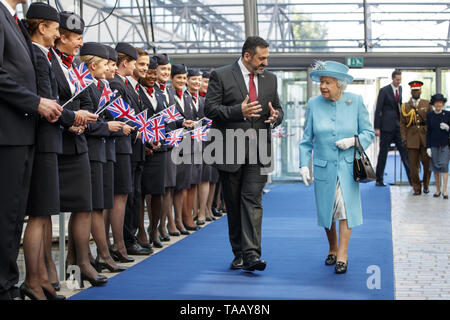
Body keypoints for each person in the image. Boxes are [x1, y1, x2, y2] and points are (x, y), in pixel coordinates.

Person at [21, 2, 94, 300]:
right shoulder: (41, 58)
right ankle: (35, 278)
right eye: (59, 31)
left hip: (61, 139)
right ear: (48, 30)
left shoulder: (49, 58)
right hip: (48, 139)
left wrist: (77, 118)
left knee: (49, 212)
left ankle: (45, 277)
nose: (68, 39)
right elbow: (47, 99)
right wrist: (72, 118)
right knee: (40, 213)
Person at [204, 36, 283, 272]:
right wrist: (238, 111)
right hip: (229, 149)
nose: (265, 63)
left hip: (259, 150)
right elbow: (210, 109)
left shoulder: (271, 79)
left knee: (252, 200)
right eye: (262, 58)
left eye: (267, 58)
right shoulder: (221, 75)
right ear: (247, 56)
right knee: (234, 203)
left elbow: (278, 108)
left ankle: (252, 255)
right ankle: (238, 252)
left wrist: (276, 117)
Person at [299, 60, 375, 274]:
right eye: (321, 82)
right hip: (323, 167)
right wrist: (304, 164)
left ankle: (342, 253)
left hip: (347, 167)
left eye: (328, 82)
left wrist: (353, 141)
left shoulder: (356, 101)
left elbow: (368, 133)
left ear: (339, 85)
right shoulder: (314, 104)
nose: (323, 86)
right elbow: (306, 140)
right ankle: (332, 247)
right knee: (327, 211)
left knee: (344, 210)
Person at [50, 11, 107, 287]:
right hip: (57, 141)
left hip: (78, 143)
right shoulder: (48, 60)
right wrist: (70, 120)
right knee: (47, 210)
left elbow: (85, 101)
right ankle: (56, 270)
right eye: (76, 37)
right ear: (60, 36)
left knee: (83, 206)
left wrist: (83, 117)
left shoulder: (74, 68)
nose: (80, 43)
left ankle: (81, 263)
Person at [80, 42, 127, 273]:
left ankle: (94, 255)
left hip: (105, 149)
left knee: (101, 204)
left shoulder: (102, 86)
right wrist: (107, 126)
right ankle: (102, 255)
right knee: (93, 207)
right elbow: (88, 121)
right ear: (93, 64)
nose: (111, 68)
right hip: (92, 149)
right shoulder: (86, 86)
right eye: (107, 64)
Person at [107, 42, 138, 263]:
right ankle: (117, 244)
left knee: (122, 195)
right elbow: (117, 115)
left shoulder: (122, 83)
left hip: (122, 145)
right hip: (119, 144)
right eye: (135, 63)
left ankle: (117, 244)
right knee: (119, 196)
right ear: (125, 63)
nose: (136, 68)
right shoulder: (117, 84)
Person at [122, 47, 153, 256]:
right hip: (127, 149)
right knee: (128, 197)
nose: (143, 68)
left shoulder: (136, 88)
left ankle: (130, 238)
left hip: (138, 149)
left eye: (145, 65)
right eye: (140, 64)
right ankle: (126, 240)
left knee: (134, 197)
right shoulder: (122, 85)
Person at [138, 56, 167, 247]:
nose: (150, 75)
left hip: (159, 148)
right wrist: (145, 142)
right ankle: (140, 231)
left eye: (153, 72)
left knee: (157, 192)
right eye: (147, 71)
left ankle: (154, 228)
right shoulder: (136, 91)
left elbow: (165, 120)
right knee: (139, 193)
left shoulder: (160, 94)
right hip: (141, 147)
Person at [169, 64, 199, 234]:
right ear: (172, 79)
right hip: (173, 145)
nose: (181, 81)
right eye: (178, 77)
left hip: (187, 145)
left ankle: (181, 219)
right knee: (172, 187)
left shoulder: (186, 97)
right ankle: (173, 221)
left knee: (183, 185)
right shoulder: (168, 95)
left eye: (183, 78)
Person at [374, 70, 411, 186]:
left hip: (398, 126)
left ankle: (412, 180)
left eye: (400, 80)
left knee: (404, 152)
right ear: (392, 79)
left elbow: (399, 107)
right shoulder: (384, 91)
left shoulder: (400, 89)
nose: (399, 82)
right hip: (386, 127)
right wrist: (377, 127)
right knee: (383, 153)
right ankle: (379, 179)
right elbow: (378, 109)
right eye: (397, 80)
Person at [400, 81, 432, 195]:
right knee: (413, 166)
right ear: (411, 91)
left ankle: (426, 185)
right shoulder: (405, 106)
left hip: (425, 138)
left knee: (427, 164)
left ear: (420, 91)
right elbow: (402, 124)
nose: (416, 92)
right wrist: (404, 138)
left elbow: (431, 122)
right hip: (411, 139)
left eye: (417, 90)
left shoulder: (427, 104)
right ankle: (416, 187)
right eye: (414, 90)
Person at [426, 94, 450, 199]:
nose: (438, 105)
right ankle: (438, 190)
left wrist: (448, 128)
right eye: (436, 103)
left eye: (440, 102)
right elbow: (428, 132)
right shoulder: (430, 115)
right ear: (433, 104)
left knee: (444, 166)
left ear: (443, 104)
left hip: (445, 144)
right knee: (435, 167)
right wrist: (428, 147)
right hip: (434, 144)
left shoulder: (448, 114)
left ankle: (445, 191)